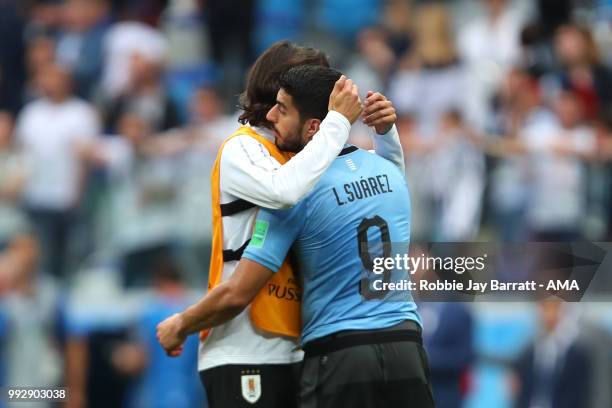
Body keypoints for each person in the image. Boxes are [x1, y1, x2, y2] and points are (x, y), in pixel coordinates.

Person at [157, 65, 433, 408]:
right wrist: (386, 130)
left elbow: (238, 292)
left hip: (340, 353)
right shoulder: (388, 171)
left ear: (315, 126)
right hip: (407, 347)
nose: (271, 116)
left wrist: (181, 323)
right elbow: (392, 160)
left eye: (283, 109)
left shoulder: (294, 193)